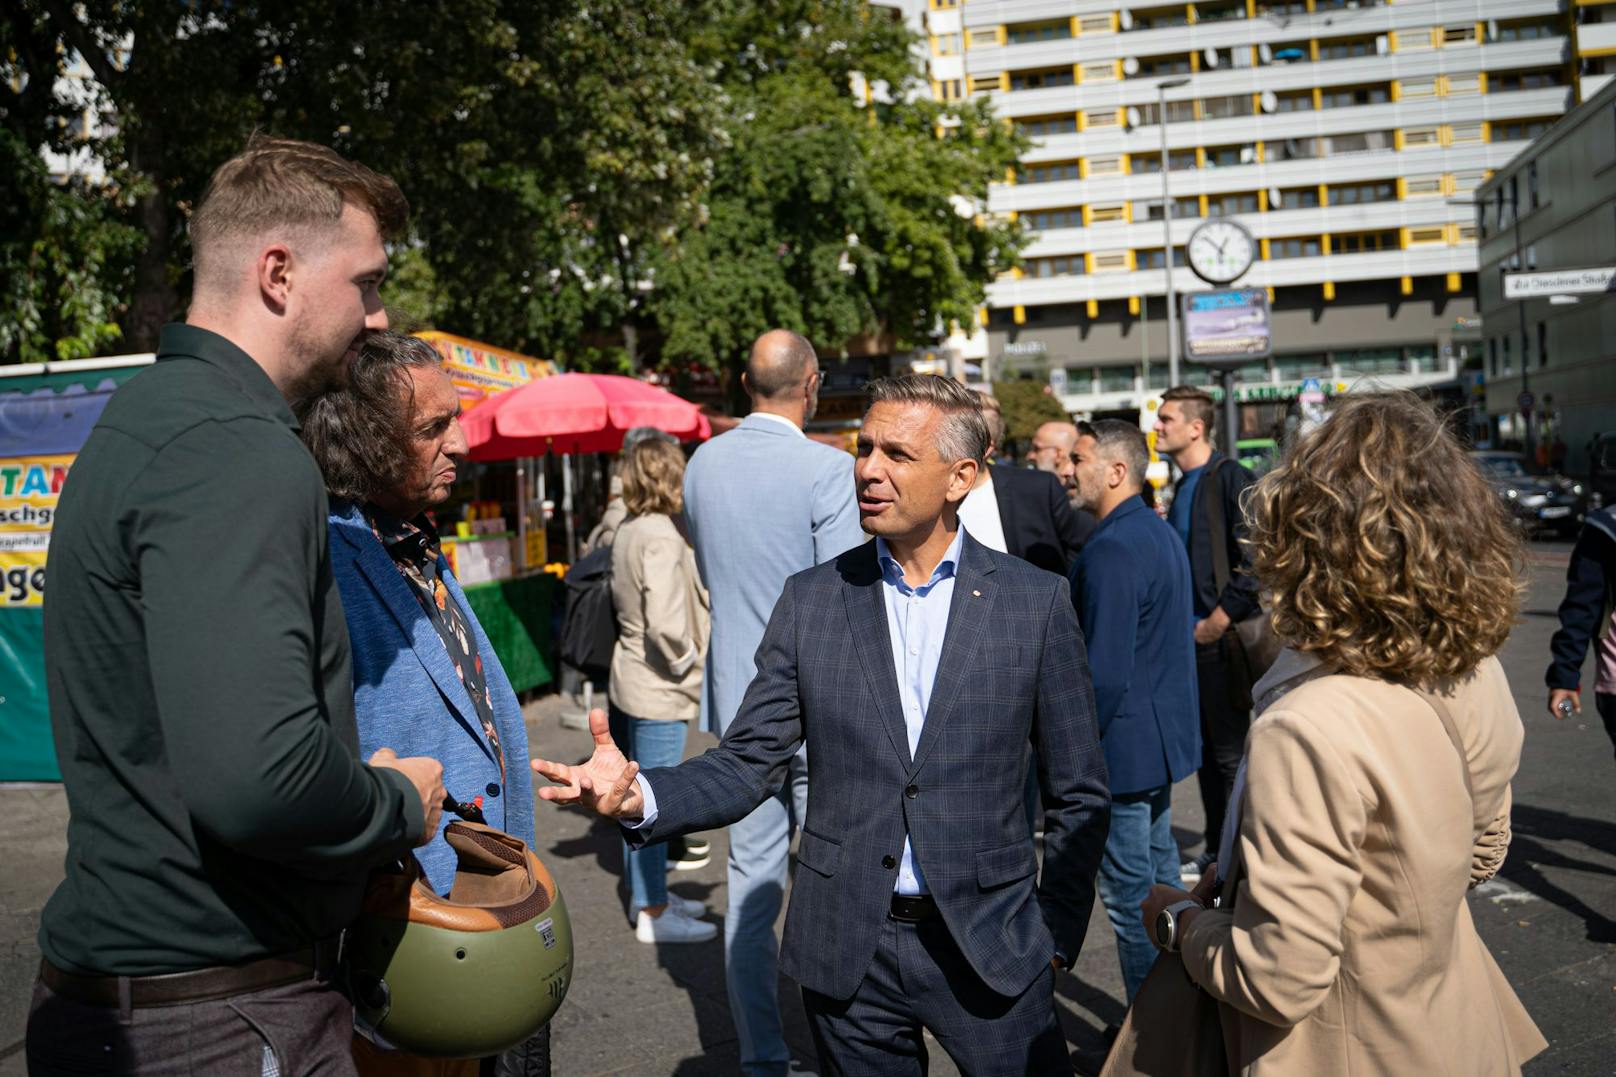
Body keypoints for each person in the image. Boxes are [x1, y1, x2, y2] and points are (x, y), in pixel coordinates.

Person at [536, 374, 1111, 1075]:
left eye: (896, 453)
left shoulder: (1034, 603)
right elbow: (749, 760)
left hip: (994, 949)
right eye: (864, 447)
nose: (866, 468)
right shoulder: (813, 601)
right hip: (849, 954)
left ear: (960, 475)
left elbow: (1080, 788)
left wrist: (1054, 932)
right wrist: (640, 796)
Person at [28, 137, 444, 1076]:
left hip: (152, 1006)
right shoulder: (236, 447)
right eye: (368, 283)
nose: (379, 318)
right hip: (217, 1018)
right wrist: (393, 801)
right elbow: (260, 778)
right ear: (278, 272)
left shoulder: (153, 418)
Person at [1140, 393, 1547, 1075]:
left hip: (1348, 1047)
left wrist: (1180, 923)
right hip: (1454, 1024)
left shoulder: (1307, 726)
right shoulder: (1474, 669)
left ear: (1302, 538)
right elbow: (1482, 852)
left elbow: (1278, 978)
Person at [298, 333, 550, 1076]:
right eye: (431, 428)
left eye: (456, 419)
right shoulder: (330, 557)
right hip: (411, 939)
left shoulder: (414, 541)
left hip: (487, 915)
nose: (461, 443)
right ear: (364, 440)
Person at [680, 329, 863, 1074]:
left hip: (739, 703)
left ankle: (762, 1057)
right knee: (841, 877)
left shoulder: (703, 462)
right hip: (822, 705)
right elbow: (848, 596)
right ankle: (846, 1044)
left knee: (752, 884)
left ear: (742, 380)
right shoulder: (828, 468)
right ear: (811, 382)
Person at [1067, 420, 1199, 1004]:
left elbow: (1106, 671)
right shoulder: (1154, 531)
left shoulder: (1113, 547)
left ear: (1116, 471)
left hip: (1123, 755)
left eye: (1078, 459)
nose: (1067, 470)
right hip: (1157, 744)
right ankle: (1186, 1019)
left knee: (1131, 901)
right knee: (1166, 890)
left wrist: (1068, 754)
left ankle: (1152, 1039)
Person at [607, 436, 715, 942]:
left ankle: (650, 899)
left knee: (637, 795)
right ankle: (651, 909)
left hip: (630, 676)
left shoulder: (629, 527)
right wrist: (689, 661)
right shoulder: (662, 536)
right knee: (653, 803)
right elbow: (667, 626)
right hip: (656, 684)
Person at [1152, 385, 1258, 883]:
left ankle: (1240, 856)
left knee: (1228, 755)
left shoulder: (1230, 477)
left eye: (1167, 418)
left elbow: (1259, 558)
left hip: (1220, 642)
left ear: (1196, 427)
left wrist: (1219, 619)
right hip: (1190, 645)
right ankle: (1218, 853)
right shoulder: (1179, 485)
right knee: (1207, 754)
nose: (1158, 426)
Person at [958, 392, 1090, 576]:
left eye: (954, 435)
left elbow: (1082, 551)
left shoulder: (1039, 490)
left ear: (987, 448)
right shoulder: (925, 495)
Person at [1546, 502, 1616, 761]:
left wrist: (1565, 677)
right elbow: (1581, 607)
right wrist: (1565, 677)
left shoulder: (1605, 526)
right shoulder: (1605, 528)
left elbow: (1581, 607)